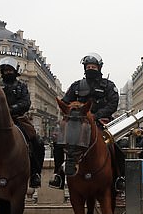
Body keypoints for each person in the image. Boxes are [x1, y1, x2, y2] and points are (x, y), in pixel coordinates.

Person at [49, 53, 123, 189]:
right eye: (88, 66)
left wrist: (96, 116)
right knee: (59, 142)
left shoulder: (108, 85)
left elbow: (113, 104)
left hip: (101, 122)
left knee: (116, 145)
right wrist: (73, 112)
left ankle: (119, 176)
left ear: (99, 68)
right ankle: (59, 175)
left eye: (93, 66)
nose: (90, 69)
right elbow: (65, 102)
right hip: (78, 124)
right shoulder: (76, 86)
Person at [0, 57, 44, 189]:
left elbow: (26, 102)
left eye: (9, 70)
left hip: (18, 119)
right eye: (5, 70)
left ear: (15, 71)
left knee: (37, 142)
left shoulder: (21, 86)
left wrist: (11, 109)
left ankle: (35, 173)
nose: (7, 72)